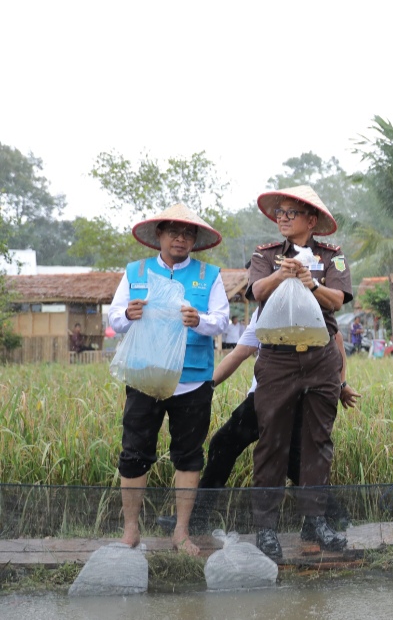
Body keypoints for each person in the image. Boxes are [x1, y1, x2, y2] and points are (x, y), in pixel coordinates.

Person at [155, 310, 360, 534]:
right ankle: (196, 518)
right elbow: (240, 352)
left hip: (290, 396)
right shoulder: (263, 310)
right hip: (263, 397)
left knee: (276, 456)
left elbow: (336, 338)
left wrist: (341, 384)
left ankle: (332, 516)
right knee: (228, 446)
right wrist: (207, 387)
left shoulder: (300, 301)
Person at [107, 204, 228, 555]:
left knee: (189, 456)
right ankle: (131, 531)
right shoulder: (136, 271)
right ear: (158, 235)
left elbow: (221, 320)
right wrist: (128, 314)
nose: (181, 238)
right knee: (134, 453)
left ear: (195, 240)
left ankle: (181, 532)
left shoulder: (209, 275)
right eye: (174, 231)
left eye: (188, 233)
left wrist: (199, 320)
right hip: (145, 377)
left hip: (192, 381)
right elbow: (115, 317)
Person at [247, 185, 353, 559]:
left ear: (312, 220)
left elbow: (337, 300)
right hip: (277, 358)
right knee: (271, 440)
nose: (283, 217)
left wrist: (312, 282)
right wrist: (283, 276)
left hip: (321, 357)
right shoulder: (265, 255)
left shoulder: (333, 258)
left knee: (318, 441)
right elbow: (257, 291)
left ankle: (315, 521)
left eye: (292, 212)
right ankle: (266, 528)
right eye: (280, 213)